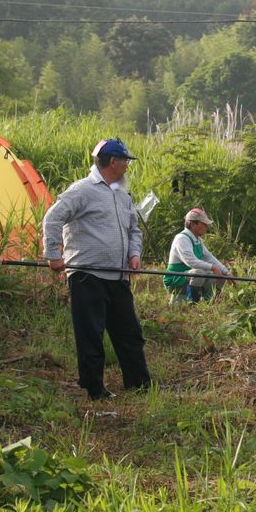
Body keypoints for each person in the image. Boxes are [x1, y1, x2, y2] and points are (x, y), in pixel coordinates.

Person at [42, 138, 152, 400]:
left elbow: (133, 230)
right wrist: (52, 254)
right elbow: (52, 218)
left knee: (130, 332)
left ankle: (139, 384)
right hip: (87, 276)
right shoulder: (81, 191)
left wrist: (134, 254)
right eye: (125, 161)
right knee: (91, 334)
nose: (127, 166)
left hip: (117, 276)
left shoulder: (122, 195)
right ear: (113, 162)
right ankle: (94, 388)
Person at [164, 208, 230, 303]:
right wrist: (213, 268)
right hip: (175, 280)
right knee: (199, 273)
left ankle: (210, 303)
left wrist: (226, 272)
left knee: (221, 276)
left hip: (188, 277)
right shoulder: (182, 239)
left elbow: (209, 257)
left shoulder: (198, 240)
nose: (206, 227)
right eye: (203, 224)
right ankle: (193, 304)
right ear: (193, 224)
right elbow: (191, 262)